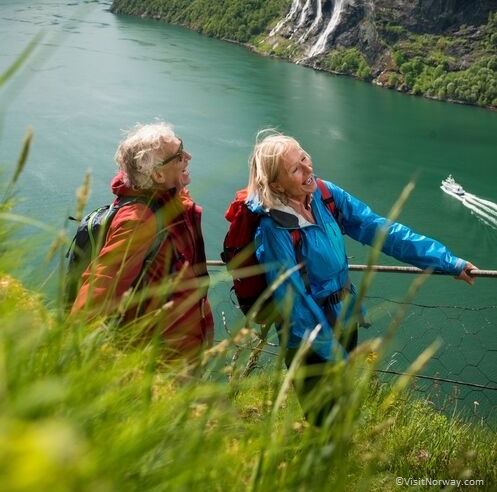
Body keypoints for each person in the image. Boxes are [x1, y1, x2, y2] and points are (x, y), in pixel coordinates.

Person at [246, 130, 477, 424]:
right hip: (308, 340)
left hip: (344, 318)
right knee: (324, 419)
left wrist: (446, 261)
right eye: (295, 168)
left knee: (341, 410)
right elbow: (296, 308)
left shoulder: (324, 196)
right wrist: (336, 356)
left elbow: (382, 231)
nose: (308, 168)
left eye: (304, 157)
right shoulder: (272, 229)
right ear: (277, 184)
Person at [71, 122, 214, 365]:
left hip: (186, 346)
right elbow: (101, 287)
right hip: (160, 359)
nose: (188, 156)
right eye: (179, 155)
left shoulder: (170, 199)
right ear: (157, 175)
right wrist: (69, 349)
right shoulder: (139, 221)